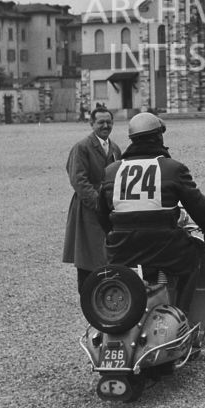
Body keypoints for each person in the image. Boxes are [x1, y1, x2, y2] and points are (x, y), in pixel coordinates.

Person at [98, 112, 205, 321]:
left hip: (121, 249)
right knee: (192, 261)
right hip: (164, 246)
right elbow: (199, 206)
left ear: (132, 139)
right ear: (158, 137)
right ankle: (181, 317)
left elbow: (102, 213)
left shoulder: (112, 171)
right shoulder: (172, 169)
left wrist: (113, 235)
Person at [62, 106, 123, 294]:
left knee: (108, 255)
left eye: (109, 122)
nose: (105, 126)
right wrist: (99, 204)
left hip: (110, 210)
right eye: (100, 122)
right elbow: (78, 180)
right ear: (91, 124)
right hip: (88, 209)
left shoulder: (115, 149)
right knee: (88, 256)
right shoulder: (82, 148)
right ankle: (88, 297)